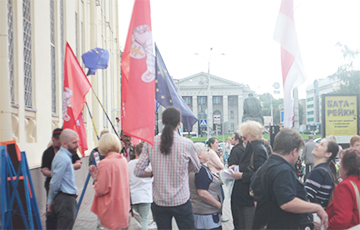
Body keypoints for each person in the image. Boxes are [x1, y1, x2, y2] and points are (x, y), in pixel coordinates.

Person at [134, 106, 201, 230]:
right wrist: (185, 169)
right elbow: (197, 168)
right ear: (179, 123)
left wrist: (152, 173)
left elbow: (138, 171)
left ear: (163, 122)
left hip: (160, 201)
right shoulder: (187, 144)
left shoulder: (151, 143)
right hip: (182, 200)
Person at [251, 128, 328, 230]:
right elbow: (287, 202)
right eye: (298, 152)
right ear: (294, 151)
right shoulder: (283, 170)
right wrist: (317, 208)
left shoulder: (264, 168)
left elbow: (257, 201)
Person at [229, 120, 268, 230]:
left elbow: (260, 174)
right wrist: (237, 167)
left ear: (251, 135)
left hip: (249, 200)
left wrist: (241, 175)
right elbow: (248, 166)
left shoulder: (258, 149)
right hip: (243, 199)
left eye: (244, 137)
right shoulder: (252, 148)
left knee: (248, 225)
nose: (242, 140)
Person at [41, 128, 82, 230]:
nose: (77, 145)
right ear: (64, 143)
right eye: (74, 142)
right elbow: (54, 182)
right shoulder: (63, 158)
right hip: (65, 200)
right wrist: (49, 202)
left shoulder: (65, 156)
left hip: (65, 199)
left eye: (77, 142)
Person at [89, 133, 130, 230]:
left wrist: (95, 179)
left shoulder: (105, 163)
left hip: (110, 210)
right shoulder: (123, 160)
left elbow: (101, 189)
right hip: (122, 208)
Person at [189, 142, 223, 230]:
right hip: (207, 215)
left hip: (201, 213)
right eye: (205, 150)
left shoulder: (193, 167)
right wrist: (217, 204)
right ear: (199, 155)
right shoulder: (200, 170)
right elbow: (202, 193)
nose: (208, 152)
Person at [326, 148, 360, 229]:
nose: (339, 168)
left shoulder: (345, 186)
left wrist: (326, 227)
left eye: (340, 164)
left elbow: (342, 219)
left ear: (347, 167)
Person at [304, 138, 338, 209]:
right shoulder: (327, 170)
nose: (316, 145)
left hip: (316, 215)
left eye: (321, 145)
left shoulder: (318, 172)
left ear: (328, 154)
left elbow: (306, 198)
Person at [128, 142, 153, 230]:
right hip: (146, 195)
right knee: (144, 220)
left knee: (135, 220)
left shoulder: (129, 164)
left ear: (135, 151)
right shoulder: (149, 165)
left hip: (133, 196)